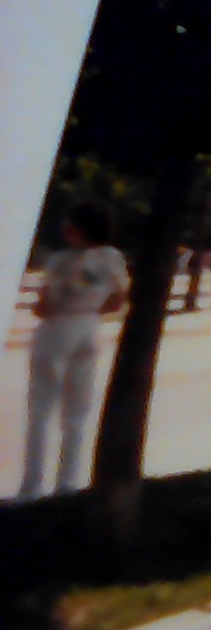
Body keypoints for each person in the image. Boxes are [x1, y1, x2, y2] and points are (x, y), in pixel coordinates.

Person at [18, 202, 130, 501]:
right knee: (78, 411)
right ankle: (68, 483)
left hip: (57, 328)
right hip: (89, 327)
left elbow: (43, 306)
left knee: (42, 409)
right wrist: (91, 306)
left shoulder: (61, 261)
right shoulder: (113, 258)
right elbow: (118, 300)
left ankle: (32, 486)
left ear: (79, 229)